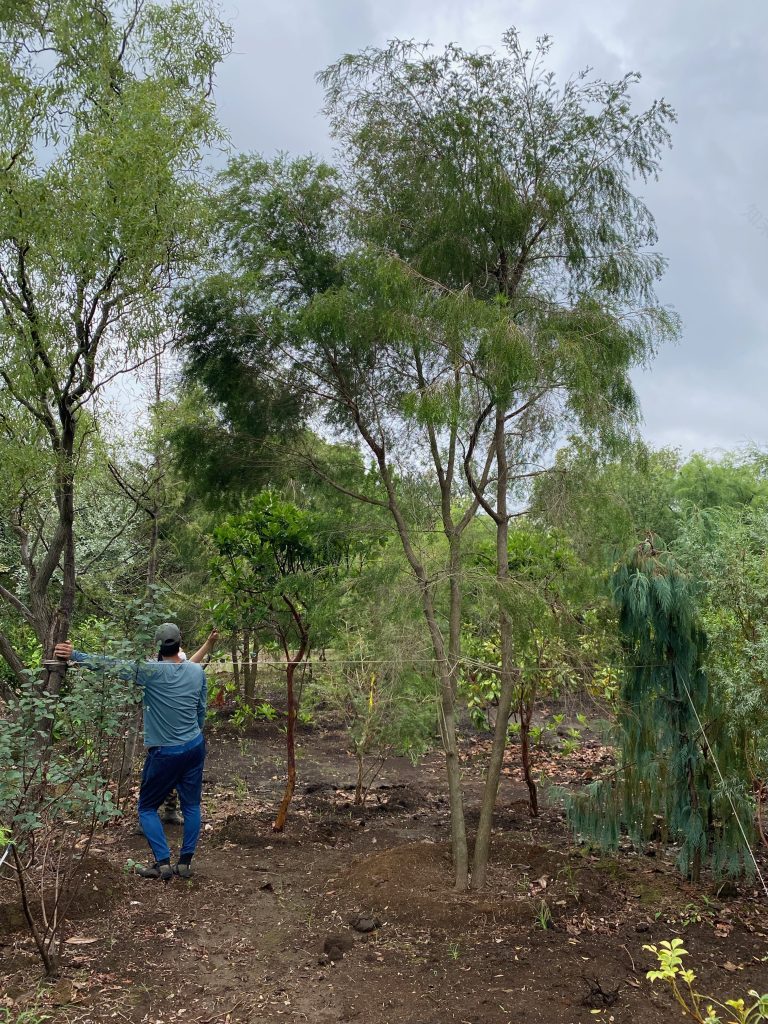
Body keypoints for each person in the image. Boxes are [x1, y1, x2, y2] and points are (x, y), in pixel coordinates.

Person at [54, 623, 213, 881]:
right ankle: (185, 863)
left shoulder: (149, 671)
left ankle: (162, 864)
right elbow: (201, 710)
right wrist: (194, 734)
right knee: (192, 805)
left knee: (147, 807)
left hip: (166, 753)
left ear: (157, 646)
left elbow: (112, 665)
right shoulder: (196, 671)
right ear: (180, 642)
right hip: (194, 746)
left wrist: (75, 655)